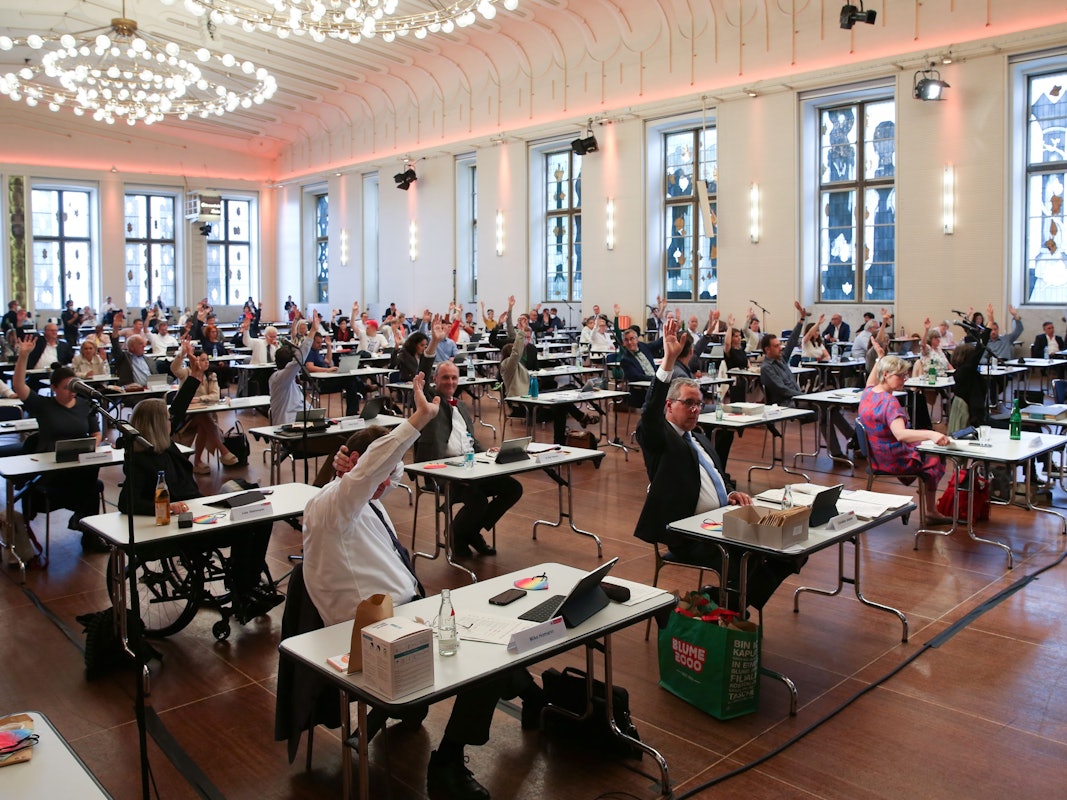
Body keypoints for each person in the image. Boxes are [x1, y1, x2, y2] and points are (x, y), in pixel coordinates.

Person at [304, 373, 541, 800]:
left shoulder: (366, 503)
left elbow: (375, 475)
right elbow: (370, 469)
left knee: (492, 632)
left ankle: (535, 696)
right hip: (374, 637)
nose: (390, 483)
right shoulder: (332, 506)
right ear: (360, 468)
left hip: (406, 618)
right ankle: (448, 761)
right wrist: (418, 419)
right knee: (484, 663)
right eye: (385, 473)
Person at [634, 318, 804, 612]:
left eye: (699, 403)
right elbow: (649, 412)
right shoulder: (659, 438)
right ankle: (729, 603)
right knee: (745, 555)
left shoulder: (698, 437)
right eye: (688, 403)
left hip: (722, 519)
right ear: (669, 406)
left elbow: (716, 476)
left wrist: (730, 493)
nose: (696, 409)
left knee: (793, 547)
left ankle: (724, 600)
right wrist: (669, 360)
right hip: (688, 533)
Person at [119, 369, 280, 622]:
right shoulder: (140, 459)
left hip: (200, 508)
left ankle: (249, 581)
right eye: (166, 419)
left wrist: (195, 376)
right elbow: (127, 503)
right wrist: (167, 507)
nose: (172, 421)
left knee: (261, 516)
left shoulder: (165, 444)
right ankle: (244, 588)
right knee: (245, 527)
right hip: (183, 527)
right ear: (156, 424)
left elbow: (178, 408)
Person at [414, 323, 522, 557]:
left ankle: (469, 531)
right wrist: (434, 342)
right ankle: (458, 536)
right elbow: (421, 372)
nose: (450, 382)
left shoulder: (461, 405)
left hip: (470, 467)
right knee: (478, 499)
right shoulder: (431, 400)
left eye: (454, 378)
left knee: (513, 488)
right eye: (445, 378)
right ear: (435, 379)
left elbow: (470, 440)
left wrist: (487, 452)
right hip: (441, 470)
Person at [13, 336, 104, 550]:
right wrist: (24, 355)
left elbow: (96, 434)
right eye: (65, 387)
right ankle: (84, 525)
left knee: (91, 484)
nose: (71, 390)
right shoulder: (43, 406)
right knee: (90, 487)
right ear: (54, 388)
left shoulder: (85, 405)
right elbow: (18, 386)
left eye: (74, 386)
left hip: (79, 467)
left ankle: (88, 533)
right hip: (51, 472)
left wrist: (93, 444)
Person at [858, 356, 950, 522]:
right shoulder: (890, 402)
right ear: (886, 374)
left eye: (905, 375)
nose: (904, 379)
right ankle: (930, 509)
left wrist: (879, 357)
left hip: (876, 457)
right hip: (894, 459)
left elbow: (871, 381)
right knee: (936, 456)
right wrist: (931, 434)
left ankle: (926, 490)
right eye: (900, 375)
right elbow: (901, 434)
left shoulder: (868, 394)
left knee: (924, 444)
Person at [761, 301, 853, 458]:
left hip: (798, 399)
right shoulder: (766, 368)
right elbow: (782, 390)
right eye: (776, 346)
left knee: (830, 407)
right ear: (767, 350)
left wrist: (801, 320)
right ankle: (848, 442)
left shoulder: (781, 360)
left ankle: (846, 444)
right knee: (826, 409)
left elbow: (791, 342)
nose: (780, 348)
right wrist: (805, 396)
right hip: (786, 404)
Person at [171, 343, 240, 473]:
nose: (206, 362)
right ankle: (223, 450)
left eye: (207, 359)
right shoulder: (187, 373)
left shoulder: (211, 375)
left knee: (203, 419)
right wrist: (182, 354)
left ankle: (198, 462)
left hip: (204, 415)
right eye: (202, 360)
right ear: (195, 361)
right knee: (203, 418)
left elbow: (215, 395)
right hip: (185, 418)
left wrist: (199, 399)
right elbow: (174, 368)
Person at [268, 346, 305, 426]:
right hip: (287, 423)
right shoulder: (278, 378)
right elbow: (299, 360)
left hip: (301, 421)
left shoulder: (291, 381)